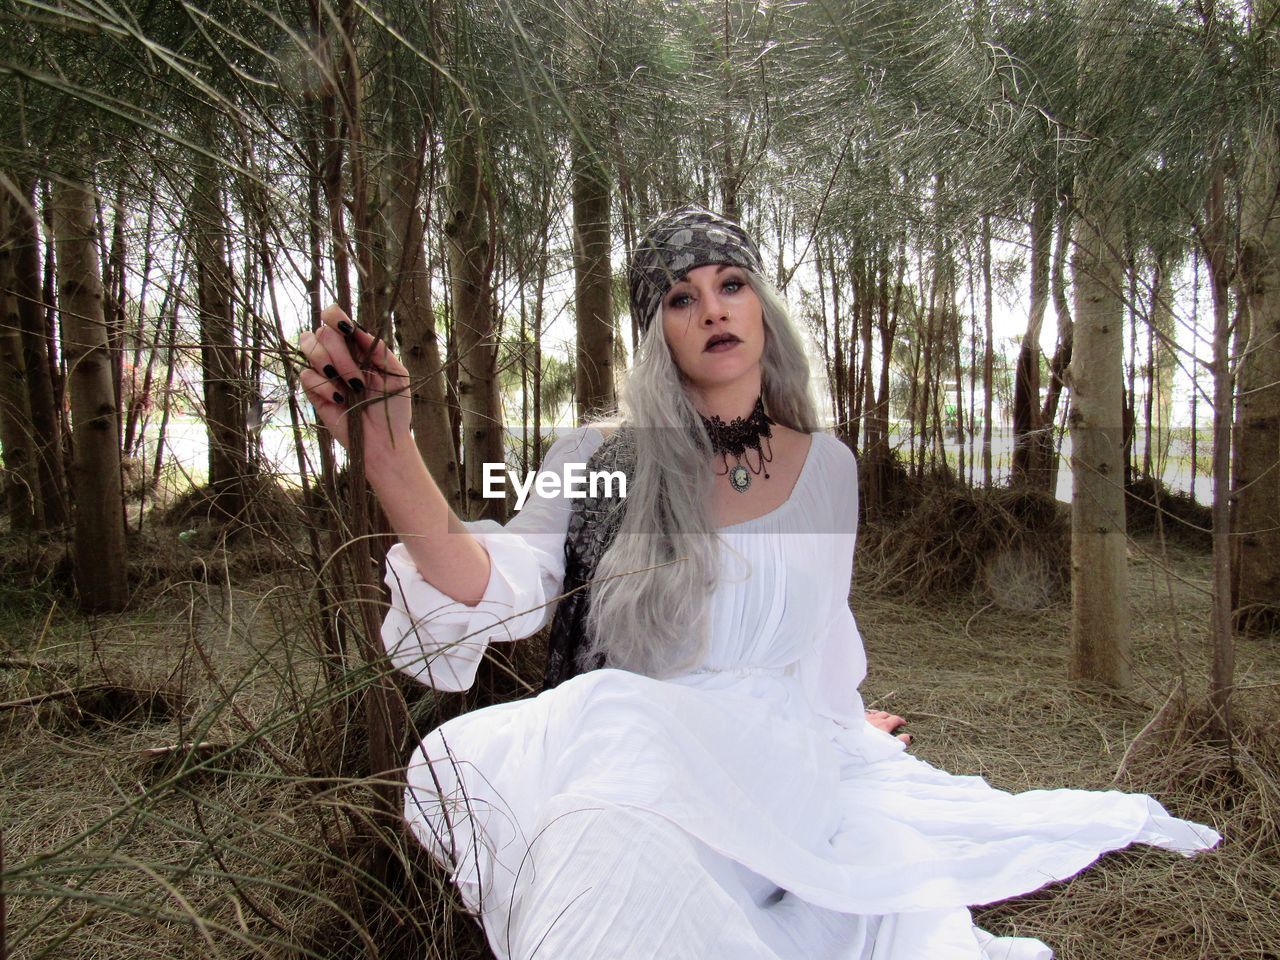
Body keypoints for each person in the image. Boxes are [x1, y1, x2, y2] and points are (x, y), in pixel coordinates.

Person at [299, 205, 1219, 960]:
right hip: (630, 748)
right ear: (654, 333)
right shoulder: (600, 459)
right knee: (598, 824)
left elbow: (818, 635)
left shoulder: (828, 469)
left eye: (731, 285)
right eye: (680, 298)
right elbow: (490, 583)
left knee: (612, 773)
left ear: (763, 308)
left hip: (774, 759)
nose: (713, 310)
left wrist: (841, 720)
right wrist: (389, 454)